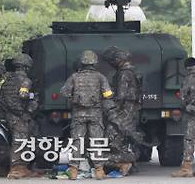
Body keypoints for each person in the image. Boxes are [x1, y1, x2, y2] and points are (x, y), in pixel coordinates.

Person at [61, 50, 113, 180]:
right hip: (95, 114)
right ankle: (99, 171)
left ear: (82, 62)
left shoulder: (74, 77)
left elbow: (64, 92)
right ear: (95, 62)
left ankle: (73, 171)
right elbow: (108, 94)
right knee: (96, 141)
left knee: (77, 141)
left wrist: (74, 99)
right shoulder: (100, 77)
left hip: (78, 114)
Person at [102, 47, 142, 176]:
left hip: (124, 110)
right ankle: (131, 164)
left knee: (113, 137)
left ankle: (125, 162)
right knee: (127, 138)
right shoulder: (134, 71)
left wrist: (111, 107)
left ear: (118, 60)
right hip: (132, 109)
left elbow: (121, 95)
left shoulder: (124, 73)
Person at [0, 54, 37, 179]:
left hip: (9, 115)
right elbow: (23, 96)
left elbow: (0, 99)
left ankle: (22, 168)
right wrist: (33, 99)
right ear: (26, 67)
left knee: (17, 140)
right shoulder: (25, 81)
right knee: (19, 141)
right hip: (20, 116)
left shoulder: (7, 81)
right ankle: (16, 169)